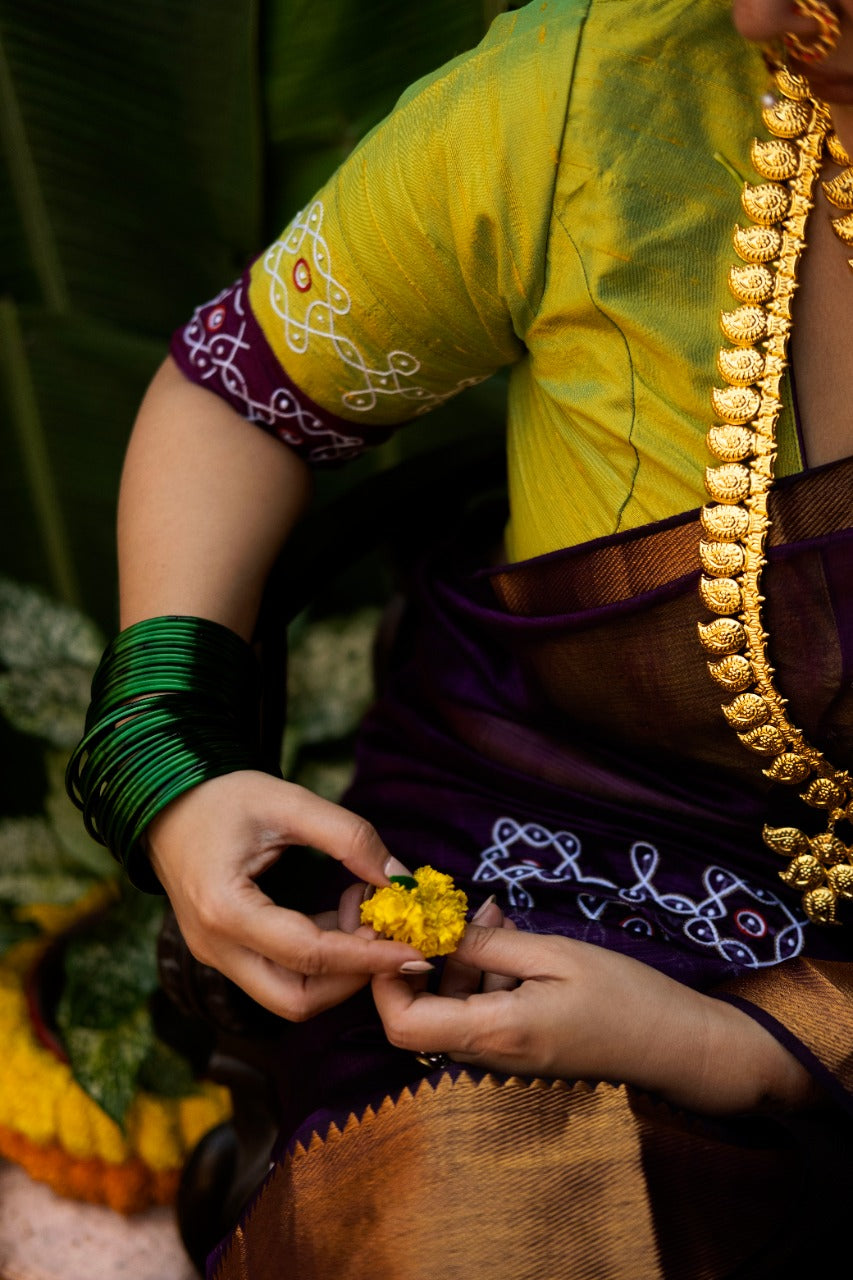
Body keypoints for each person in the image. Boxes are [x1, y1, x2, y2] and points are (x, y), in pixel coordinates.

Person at [68, 0, 853, 1275]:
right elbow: (237, 399)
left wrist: (737, 1045)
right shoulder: (591, 91)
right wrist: (169, 760)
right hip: (564, 873)